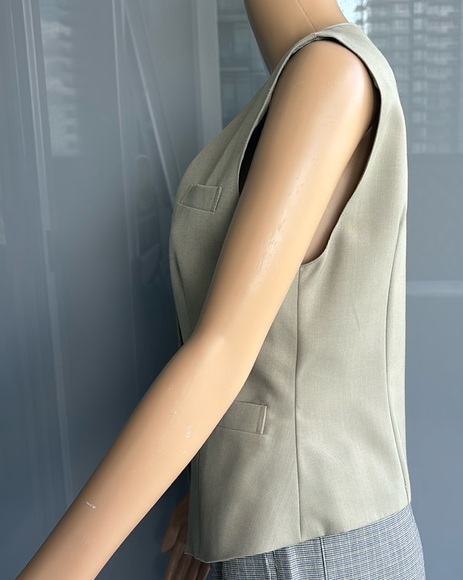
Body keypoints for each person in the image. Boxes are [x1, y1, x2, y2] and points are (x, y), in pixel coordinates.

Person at [18, 1, 425, 578]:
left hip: (310, 542)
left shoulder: (329, 73)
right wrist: (220, 487)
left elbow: (223, 348)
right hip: (288, 525)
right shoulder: (306, 77)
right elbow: (282, 342)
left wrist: (59, 570)